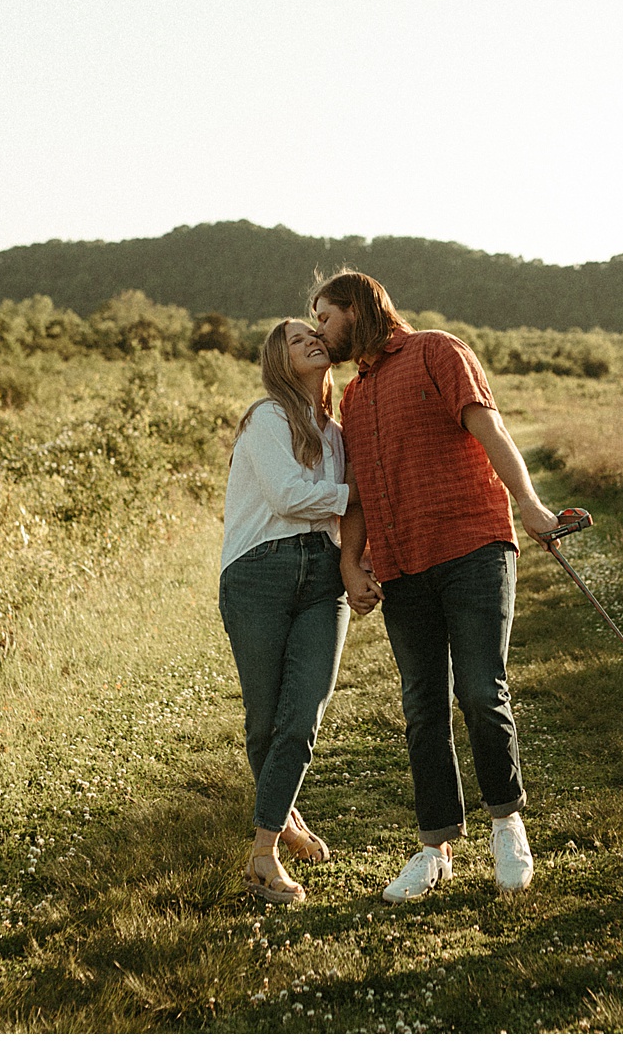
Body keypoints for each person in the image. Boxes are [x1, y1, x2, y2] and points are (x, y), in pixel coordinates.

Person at [311, 270, 560, 903]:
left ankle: (508, 824)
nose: (319, 330)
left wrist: (530, 505)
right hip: (403, 565)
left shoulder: (436, 350)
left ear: (358, 309)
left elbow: (491, 431)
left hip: (473, 546)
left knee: (480, 689)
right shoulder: (354, 399)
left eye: (324, 317)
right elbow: (360, 492)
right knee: (422, 707)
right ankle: (435, 848)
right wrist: (351, 562)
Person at [218, 318, 359, 903]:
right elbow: (287, 496)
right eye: (297, 339)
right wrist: (358, 495)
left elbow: (334, 517)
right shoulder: (268, 417)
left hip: (324, 577)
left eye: (316, 334)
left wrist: (358, 552)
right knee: (265, 717)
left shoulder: (336, 432)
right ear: (281, 361)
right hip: (259, 572)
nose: (313, 340)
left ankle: (264, 852)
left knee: (302, 715)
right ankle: (282, 823)